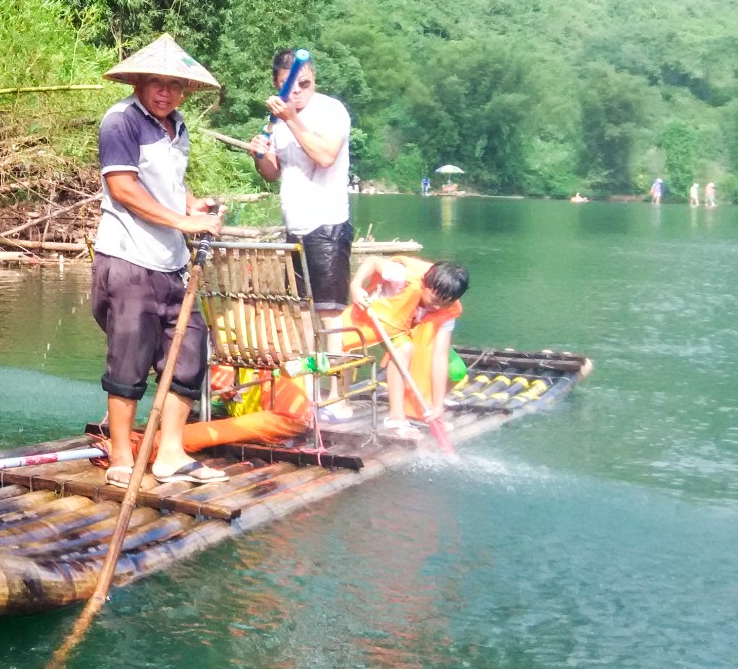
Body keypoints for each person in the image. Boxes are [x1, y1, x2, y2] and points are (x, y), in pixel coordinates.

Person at [91, 35, 229, 487]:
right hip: (128, 260)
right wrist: (184, 223)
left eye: (174, 85)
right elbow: (123, 188)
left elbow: (169, 183)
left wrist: (192, 206)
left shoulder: (178, 126)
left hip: (171, 263)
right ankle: (121, 456)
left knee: (189, 353)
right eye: (156, 83)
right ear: (139, 83)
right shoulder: (121, 121)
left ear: (185, 92)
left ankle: (170, 453)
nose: (165, 92)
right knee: (129, 360)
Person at [247, 50, 354, 320]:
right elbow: (272, 173)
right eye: (287, 85)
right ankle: (305, 349)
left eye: (304, 84)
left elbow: (325, 157)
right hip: (294, 227)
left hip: (327, 226)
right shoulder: (276, 121)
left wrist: (292, 119)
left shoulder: (331, 110)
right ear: (276, 84)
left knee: (330, 314)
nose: (296, 91)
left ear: (314, 79)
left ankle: (333, 350)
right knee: (300, 311)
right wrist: (259, 155)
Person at [350, 256, 469, 438]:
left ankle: (426, 408)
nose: (438, 307)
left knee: (456, 370)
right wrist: (355, 286)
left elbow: (440, 355)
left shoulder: (448, 311)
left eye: (445, 302)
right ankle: (396, 419)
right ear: (425, 284)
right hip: (386, 322)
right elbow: (372, 261)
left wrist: (438, 405)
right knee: (405, 349)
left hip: (417, 331)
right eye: (434, 299)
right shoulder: (402, 276)